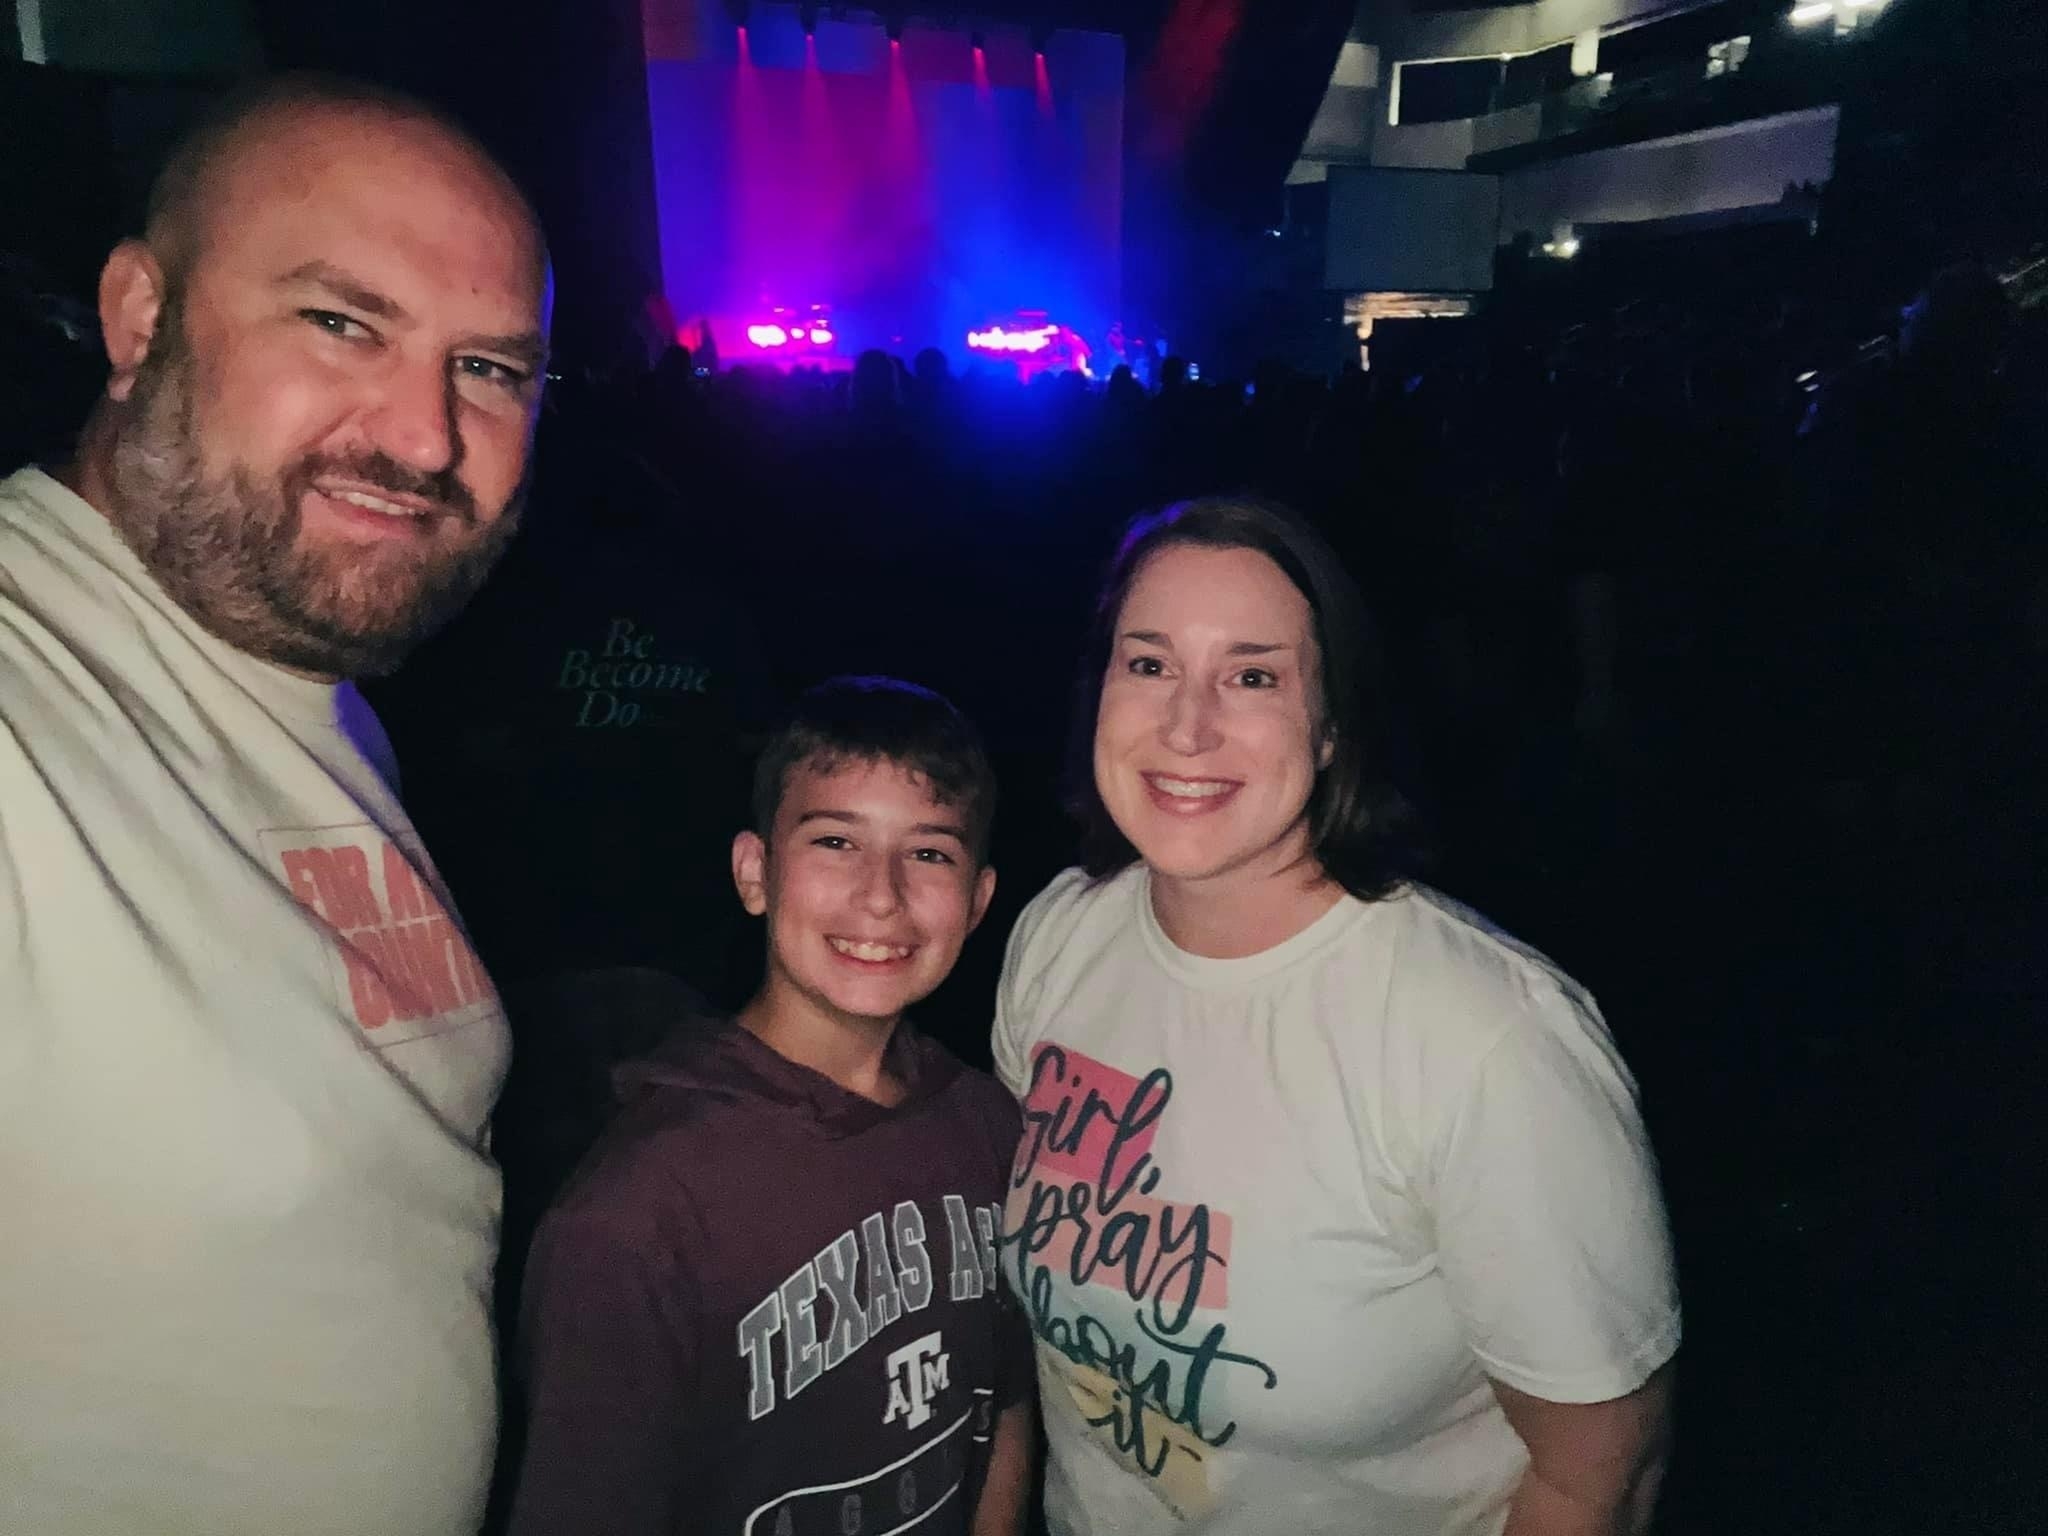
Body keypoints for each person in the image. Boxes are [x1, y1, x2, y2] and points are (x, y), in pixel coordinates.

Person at [0, 73, 551, 1535]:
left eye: (487, 368)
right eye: (341, 323)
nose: (426, 439)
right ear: (139, 319)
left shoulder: (299, 675)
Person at [993, 498, 1680, 1535]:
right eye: (1150, 664)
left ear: (1330, 729)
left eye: (1252, 677)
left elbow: (1597, 1474)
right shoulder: (1059, 937)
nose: (1186, 725)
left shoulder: (1488, 1041)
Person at [507, 677, 1036, 1536]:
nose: (881, 895)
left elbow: (1004, 1400)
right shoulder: (637, 1213)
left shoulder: (987, 1125)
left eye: (930, 854)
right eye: (835, 841)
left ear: (977, 901)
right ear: (756, 873)